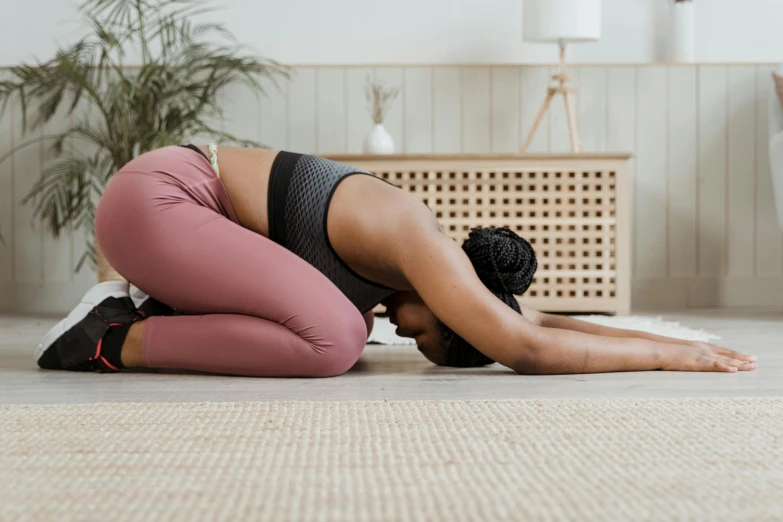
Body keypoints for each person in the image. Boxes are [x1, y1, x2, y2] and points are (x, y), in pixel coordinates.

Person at [35, 145, 757, 377]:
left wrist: (675, 338)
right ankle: (109, 338)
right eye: (425, 334)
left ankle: (143, 314)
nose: (407, 332)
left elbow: (538, 316)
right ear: (451, 308)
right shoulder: (421, 245)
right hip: (158, 201)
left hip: (173, 220)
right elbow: (528, 345)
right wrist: (679, 363)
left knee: (335, 331)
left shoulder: (438, 272)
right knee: (335, 339)